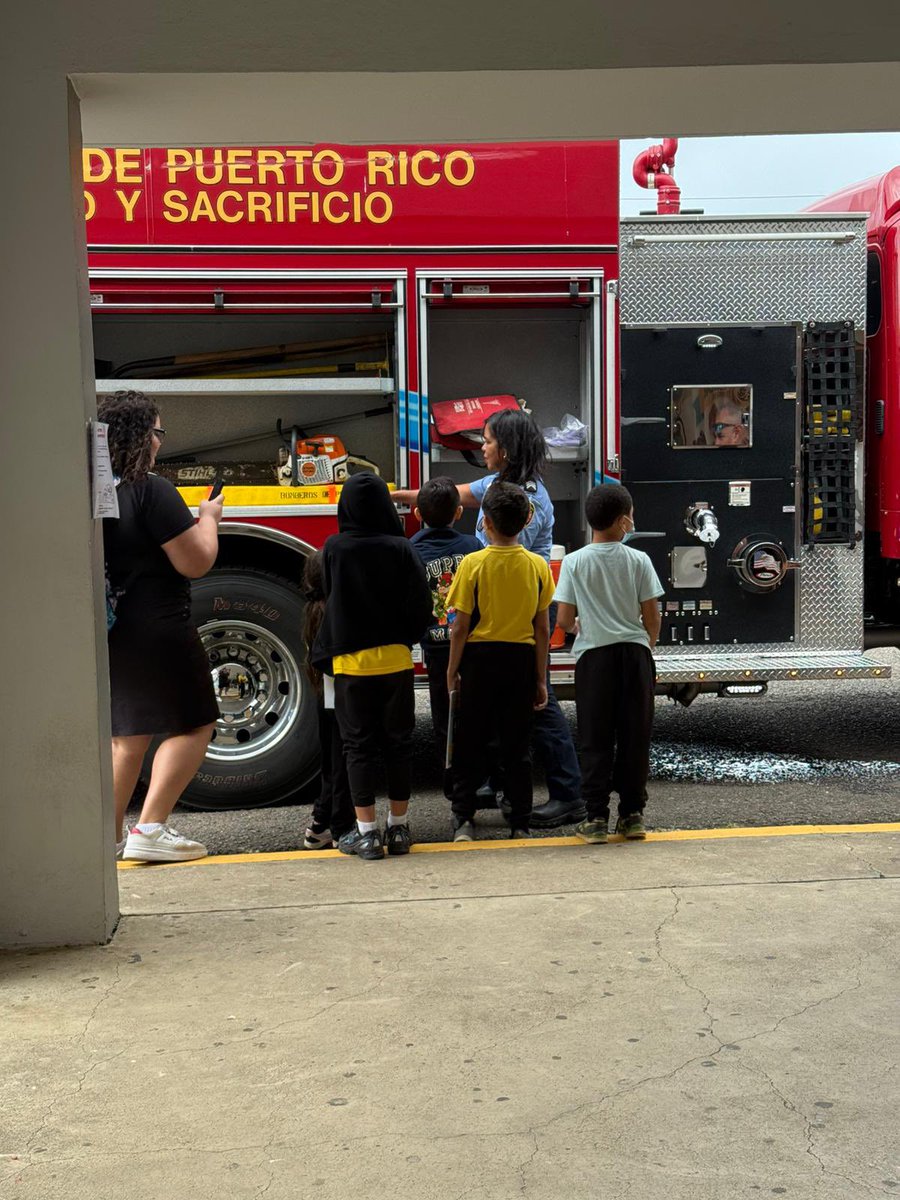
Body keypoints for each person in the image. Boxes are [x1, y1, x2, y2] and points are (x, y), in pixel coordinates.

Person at [392, 408, 584, 828]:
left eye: (488, 440)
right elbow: (449, 495)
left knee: (540, 701)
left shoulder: (526, 498)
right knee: (512, 705)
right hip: (496, 608)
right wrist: (394, 496)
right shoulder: (498, 484)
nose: (483, 447)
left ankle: (569, 794)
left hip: (519, 611)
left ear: (508, 449)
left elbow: (508, 557)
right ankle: (502, 789)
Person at [100, 389, 223, 863]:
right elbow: (196, 561)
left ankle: (107, 840)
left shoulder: (100, 493)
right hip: (162, 627)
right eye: (157, 431)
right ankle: (150, 827)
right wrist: (209, 519)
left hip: (117, 628)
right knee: (196, 722)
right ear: (141, 436)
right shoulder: (152, 490)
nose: (159, 441)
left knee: (127, 736)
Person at [311, 473, 433, 861]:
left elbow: (332, 597)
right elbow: (421, 604)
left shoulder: (334, 548)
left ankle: (365, 834)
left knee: (357, 748)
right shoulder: (401, 547)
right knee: (398, 745)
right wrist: (407, 637)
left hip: (351, 665)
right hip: (396, 662)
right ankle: (398, 828)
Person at [553, 483, 663, 844]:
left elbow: (564, 620)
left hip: (594, 659)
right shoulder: (639, 560)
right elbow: (652, 616)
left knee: (595, 738)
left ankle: (596, 817)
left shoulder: (574, 561)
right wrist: (646, 645)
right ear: (622, 521)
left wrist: (582, 626)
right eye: (630, 514)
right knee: (635, 736)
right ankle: (632, 816)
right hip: (634, 657)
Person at [445, 481, 553, 841]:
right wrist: (540, 677)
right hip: (520, 661)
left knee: (471, 740)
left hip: (479, 661)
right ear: (526, 521)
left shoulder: (472, 564)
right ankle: (520, 822)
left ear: (485, 522)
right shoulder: (538, 566)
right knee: (517, 745)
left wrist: (452, 670)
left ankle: (463, 819)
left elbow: (460, 626)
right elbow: (542, 627)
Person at [409, 477, 481, 799]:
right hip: (474, 647)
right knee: (476, 716)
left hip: (437, 650)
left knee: (443, 717)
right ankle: (479, 780)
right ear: (459, 512)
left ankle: (451, 782)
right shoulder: (473, 548)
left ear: (416, 513)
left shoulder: (410, 551)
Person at [300, 551, 356, 850]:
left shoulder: (313, 609)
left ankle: (321, 823)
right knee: (343, 761)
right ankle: (338, 825)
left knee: (331, 762)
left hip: (325, 695)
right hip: (341, 696)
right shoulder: (335, 612)